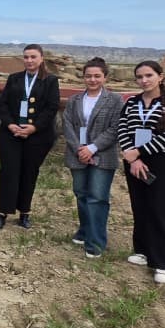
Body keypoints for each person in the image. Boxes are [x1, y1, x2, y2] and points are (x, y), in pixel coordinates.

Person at [118, 59, 165, 285]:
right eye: (139, 77)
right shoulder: (131, 102)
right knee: (139, 206)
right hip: (133, 160)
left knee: (159, 209)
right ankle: (142, 250)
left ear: (160, 77)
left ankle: (161, 263)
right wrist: (132, 156)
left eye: (148, 75)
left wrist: (139, 152)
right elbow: (123, 128)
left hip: (160, 161)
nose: (144, 80)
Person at [0, 44, 61, 230]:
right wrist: (10, 124)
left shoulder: (50, 81)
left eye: (33, 57)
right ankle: (2, 213)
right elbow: (3, 104)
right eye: (26, 57)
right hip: (11, 134)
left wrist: (34, 127)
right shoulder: (14, 78)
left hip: (37, 136)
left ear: (41, 59)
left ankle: (24, 213)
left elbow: (51, 107)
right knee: (8, 172)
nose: (29, 60)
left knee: (29, 173)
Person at [61, 57, 124, 257]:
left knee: (97, 198)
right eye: (88, 76)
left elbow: (116, 128)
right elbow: (67, 124)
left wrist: (92, 148)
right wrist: (79, 149)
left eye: (97, 76)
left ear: (105, 77)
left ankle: (95, 243)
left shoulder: (115, 100)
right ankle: (84, 230)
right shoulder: (74, 100)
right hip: (77, 154)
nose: (92, 80)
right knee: (81, 194)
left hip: (103, 155)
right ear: (83, 77)